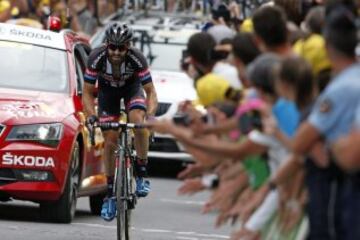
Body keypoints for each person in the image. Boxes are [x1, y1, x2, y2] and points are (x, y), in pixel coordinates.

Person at [83, 23, 158, 221]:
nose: (116, 52)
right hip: (107, 94)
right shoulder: (96, 58)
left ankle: (141, 171)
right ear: (106, 45)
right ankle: (110, 193)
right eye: (113, 47)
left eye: (121, 48)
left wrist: (150, 116)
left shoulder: (137, 58)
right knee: (111, 138)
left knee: (137, 121)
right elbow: (88, 93)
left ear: (128, 46)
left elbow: (150, 92)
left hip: (131, 90)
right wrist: (91, 116)